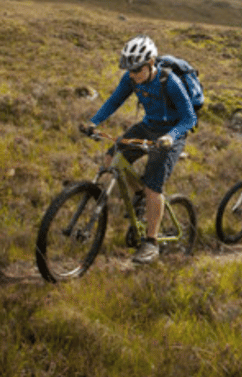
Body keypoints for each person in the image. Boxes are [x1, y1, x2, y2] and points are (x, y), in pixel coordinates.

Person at [81, 35, 196, 264]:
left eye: (136, 69)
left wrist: (170, 137)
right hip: (148, 126)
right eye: (129, 69)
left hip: (172, 133)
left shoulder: (169, 81)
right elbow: (114, 102)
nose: (132, 74)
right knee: (111, 159)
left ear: (151, 63)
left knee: (154, 187)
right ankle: (139, 194)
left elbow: (189, 118)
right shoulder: (131, 79)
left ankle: (151, 243)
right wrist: (94, 122)